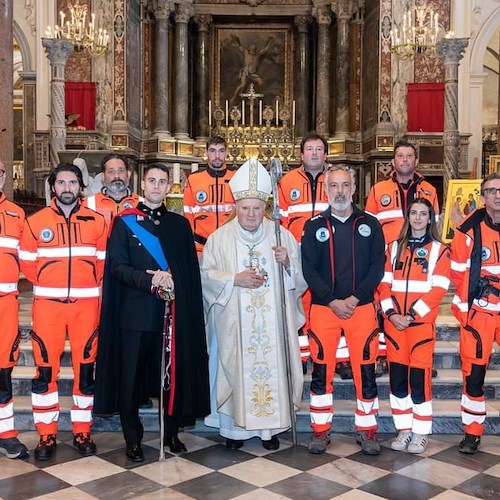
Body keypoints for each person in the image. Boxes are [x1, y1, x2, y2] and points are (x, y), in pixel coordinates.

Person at [94, 163, 210, 462]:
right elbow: (117, 268)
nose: (157, 186)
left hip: (173, 315)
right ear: (142, 184)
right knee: (131, 379)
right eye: (152, 180)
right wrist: (151, 279)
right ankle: (132, 438)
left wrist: (175, 279)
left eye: (162, 181)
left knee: (171, 378)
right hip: (136, 314)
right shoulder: (125, 223)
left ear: (169, 186)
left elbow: (189, 271)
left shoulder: (180, 225)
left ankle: (171, 432)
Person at [201, 157, 305, 451]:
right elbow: (205, 276)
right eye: (245, 208)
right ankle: (233, 432)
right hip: (234, 325)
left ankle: (270, 431)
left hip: (271, 328)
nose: (250, 214)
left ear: (265, 208)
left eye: (257, 208)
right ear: (236, 207)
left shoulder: (281, 235)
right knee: (234, 370)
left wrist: (287, 263)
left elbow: (299, 279)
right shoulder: (219, 239)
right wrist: (234, 279)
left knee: (271, 370)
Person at [19, 163, 107, 461]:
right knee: (45, 373)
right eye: (61, 183)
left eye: (72, 182)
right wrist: (51, 282)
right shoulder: (35, 222)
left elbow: (102, 263)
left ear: (80, 187)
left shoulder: (96, 222)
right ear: (53, 187)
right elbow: (28, 264)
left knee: (86, 372)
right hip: (48, 308)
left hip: (86, 307)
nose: (67, 188)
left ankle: (83, 430)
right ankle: (46, 434)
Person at [301, 165, 385, 455]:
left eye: (344, 185)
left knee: (366, 372)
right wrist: (332, 300)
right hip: (325, 310)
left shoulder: (370, 224)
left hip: (361, 310)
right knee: (321, 371)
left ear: (353, 189)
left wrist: (354, 298)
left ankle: (368, 431)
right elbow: (309, 269)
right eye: (334, 186)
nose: (339, 191)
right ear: (326, 190)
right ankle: (320, 431)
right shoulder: (313, 226)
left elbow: (378, 267)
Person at [378, 198, 450, 454]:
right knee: (397, 382)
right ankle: (404, 429)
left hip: (419, 327)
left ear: (430, 218)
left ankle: (420, 433)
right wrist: (391, 313)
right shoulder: (393, 247)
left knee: (419, 382)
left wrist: (409, 315)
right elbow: (383, 284)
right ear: (407, 217)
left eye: (423, 213)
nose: (418, 217)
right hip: (394, 326)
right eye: (413, 213)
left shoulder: (440, 250)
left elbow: (438, 290)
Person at [278, 131, 352, 379]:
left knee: (332, 302)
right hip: (298, 254)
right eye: (309, 149)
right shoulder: (287, 181)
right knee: (301, 304)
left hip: (331, 253)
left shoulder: (335, 180)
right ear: (301, 154)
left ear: (325, 153)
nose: (314, 153)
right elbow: (281, 221)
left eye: (319, 149)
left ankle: (341, 360)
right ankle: (302, 358)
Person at [366, 140, 440, 376]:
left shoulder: (429, 189)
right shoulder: (379, 190)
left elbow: (435, 225)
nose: (405, 160)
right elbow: (369, 228)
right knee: (382, 307)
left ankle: (422, 356)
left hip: (420, 257)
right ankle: (381, 358)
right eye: (400, 156)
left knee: (423, 307)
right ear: (393, 162)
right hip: (387, 258)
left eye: (409, 156)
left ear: (416, 161)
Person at [450, 173, 500, 454]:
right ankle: (472, 432)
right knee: (474, 374)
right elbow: (457, 273)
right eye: (491, 191)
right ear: (482, 197)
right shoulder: (468, 228)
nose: (497, 195)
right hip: (479, 312)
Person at [0, 159, 29, 460]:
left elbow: (29, 258)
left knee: (3, 370)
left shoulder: (17, 214)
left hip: (5, 303)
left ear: (5, 176)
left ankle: (6, 434)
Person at [183, 136, 236, 258]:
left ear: (226, 152)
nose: (217, 156)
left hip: (230, 246)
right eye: (212, 151)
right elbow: (188, 214)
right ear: (206, 153)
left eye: (221, 151)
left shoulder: (236, 177)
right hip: (201, 247)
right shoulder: (193, 179)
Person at [83, 153, 141, 227]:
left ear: (128, 174)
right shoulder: (88, 205)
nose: (117, 176)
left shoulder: (142, 203)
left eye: (121, 171)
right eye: (111, 171)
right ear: (103, 177)